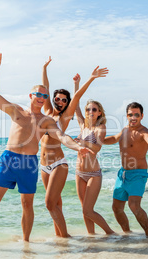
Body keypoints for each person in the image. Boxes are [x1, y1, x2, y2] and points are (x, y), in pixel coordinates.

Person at [0, 54, 93, 249]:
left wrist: (78, 147)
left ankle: (26, 242)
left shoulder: (47, 121)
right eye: (38, 94)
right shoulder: (16, 111)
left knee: (27, 204)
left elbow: (62, 137)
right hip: (9, 159)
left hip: (29, 163)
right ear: (31, 96)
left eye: (45, 96)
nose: (41, 98)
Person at [40, 56, 109, 237]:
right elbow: (45, 89)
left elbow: (77, 98)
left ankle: (67, 237)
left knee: (51, 203)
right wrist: (44, 68)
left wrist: (90, 78)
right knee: (55, 204)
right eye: (58, 99)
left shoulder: (66, 116)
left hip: (59, 163)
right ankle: (61, 237)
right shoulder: (47, 112)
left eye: (64, 100)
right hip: (43, 165)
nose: (61, 102)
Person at [104, 102, 148, 237]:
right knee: (117, 208)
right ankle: (127, 234)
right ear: (127, 116)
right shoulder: (124, 130)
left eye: (136, 114)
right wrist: (96, 140)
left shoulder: (143, 132)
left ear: (141, 116)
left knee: (134, 205)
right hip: (122, 174)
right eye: (130, 114)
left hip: (138, 174)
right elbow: (113, 138)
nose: (133, 117)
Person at [74, 99, 116, 235]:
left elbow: (97, 147)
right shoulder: (83, 127)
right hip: (79, 172)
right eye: (88, 109)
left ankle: (111, 233)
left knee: (88, 210)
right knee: (83, 209)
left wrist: (82, 142)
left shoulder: (100, 128)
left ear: (99, 113)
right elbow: (75, 105)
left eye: (94, 109)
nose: (90, 112)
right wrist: (76, 83)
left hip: (93, 174)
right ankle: (91, 236)